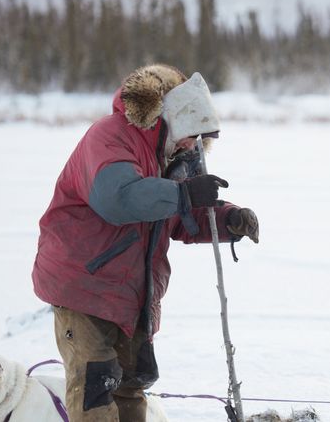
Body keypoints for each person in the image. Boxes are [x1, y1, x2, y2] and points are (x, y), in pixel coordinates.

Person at [32, 64, 259, 421]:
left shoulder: (177, 155)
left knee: (131, 383)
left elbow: (183, 214)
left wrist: (228, 219)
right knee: (96, 386)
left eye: (199, 135)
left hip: (133, 293)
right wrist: (183, 194)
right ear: (167, 118)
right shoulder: (110, 136)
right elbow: (120, 199)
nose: (192, 143)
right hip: (84, 283)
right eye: (188, 132)